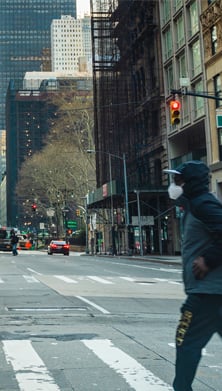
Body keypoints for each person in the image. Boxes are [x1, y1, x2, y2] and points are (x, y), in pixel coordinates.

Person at [164, 160, 222, 391]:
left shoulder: (203, 204)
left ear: (189, 182)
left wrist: (208, 259)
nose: (174, 184)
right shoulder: (195, 204)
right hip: (212, 292)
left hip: (205, 293)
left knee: (186, 342)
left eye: (178, 180)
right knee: (188, 344)